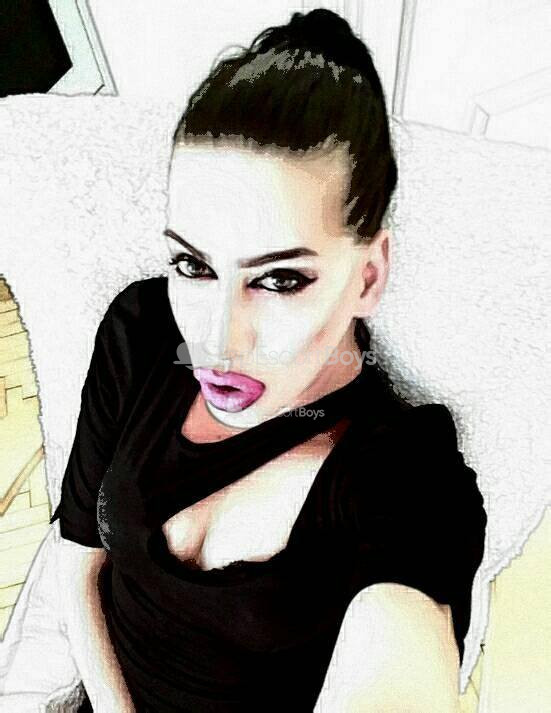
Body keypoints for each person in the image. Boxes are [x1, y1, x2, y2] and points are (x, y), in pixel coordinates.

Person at [48, 9, 487, 712]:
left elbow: (399, 648)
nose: (218, 340)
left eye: (280, 279)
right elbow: (78, 557)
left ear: (368, 276)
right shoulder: (143, 329)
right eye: (193, 265)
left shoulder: (401, 474)